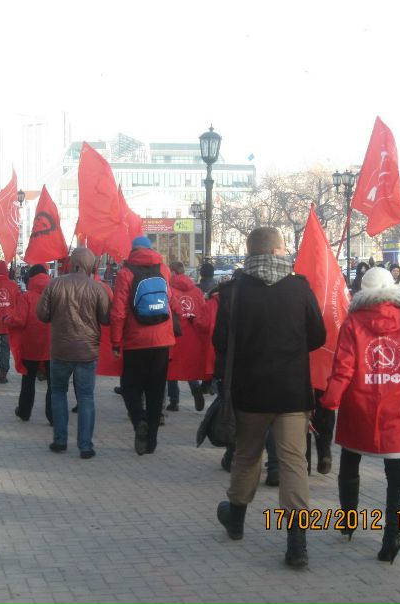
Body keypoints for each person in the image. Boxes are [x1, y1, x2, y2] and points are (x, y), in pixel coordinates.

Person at [214, 227, 325, 568]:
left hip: (249, 392)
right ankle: (297, 543)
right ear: (278, 250)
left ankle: (235, 517)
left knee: (247, 456)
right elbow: (318, 335)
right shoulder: (299, 288)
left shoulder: (233, 291)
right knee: (294, 462)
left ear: (249, 253)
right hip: (292, 391)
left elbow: (220, 342)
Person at [321, 267, 400, 563]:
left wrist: (329, 403)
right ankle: (392, 537)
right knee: (396, 472)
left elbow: (343, 369)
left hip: (359, 404)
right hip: (396, 408)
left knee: (350, 461)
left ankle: (348, 521)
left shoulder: (353, 322)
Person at [37, 247, 110, 459]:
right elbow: (106, 318)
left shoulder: (55, 284)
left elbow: (42, 314)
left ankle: (60, 441)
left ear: (72, 262)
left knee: (58, 393)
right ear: (90, 265)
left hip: (60, 349)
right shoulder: (97, 288)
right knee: (86, 397)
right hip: (87, 351)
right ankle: (85, 446)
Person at [111, 236, 179, 455]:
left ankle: (139, 419)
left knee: (130, 386)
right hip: (162, 340)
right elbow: (170, 298)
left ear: (133, 250)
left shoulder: (125, 273)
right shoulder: (163, 269)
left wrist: (115, 340)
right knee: (156, 391)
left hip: (135, 340)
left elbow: (119, 311)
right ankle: (150, 442)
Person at [5, 268, 52, 424]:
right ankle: (53, 416)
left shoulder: (27, 297)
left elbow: (19, 320)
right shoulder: (55, 294)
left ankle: (24, 411)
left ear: (31, 278)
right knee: (54, 384)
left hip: (31, 345)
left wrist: (6, 320)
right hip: (52, 346)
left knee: (28, 380)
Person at [166, 260, 208, 412]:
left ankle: (174, 401)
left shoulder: (169, 290)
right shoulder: (196, 291)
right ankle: (195, 388)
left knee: (171, 368)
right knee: (188, 365)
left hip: (174, 334)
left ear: (172, 272)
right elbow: (204, 311)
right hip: (192, 335)